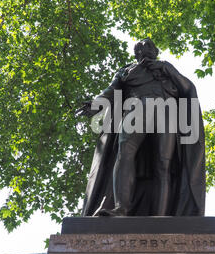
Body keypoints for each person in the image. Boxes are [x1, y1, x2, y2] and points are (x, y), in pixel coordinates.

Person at [78, 38, 205, 216]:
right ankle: (120, 209)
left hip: (166, 112)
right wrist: (96, 104)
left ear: (156, 51)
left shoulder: (167, 70)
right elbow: (111, 91)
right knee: (124, 153)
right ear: (137, 53)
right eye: (142, 48)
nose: (147, 49)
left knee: (164, 163)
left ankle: (160, 217)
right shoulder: (126, 71)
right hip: (136, 109)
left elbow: (187, 88)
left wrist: (168, 70)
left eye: (151, 47)